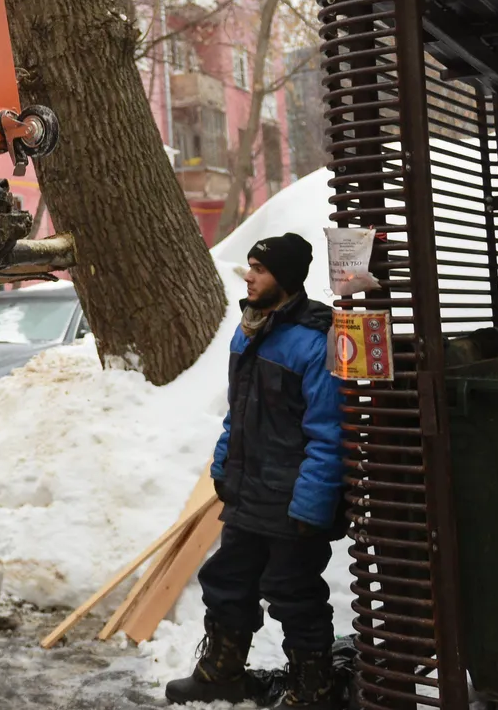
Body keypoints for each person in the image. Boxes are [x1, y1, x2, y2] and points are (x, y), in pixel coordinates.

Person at [167, 232, 344, 709]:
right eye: (249, 266)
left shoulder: (315, 340)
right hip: (250, 492)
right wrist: (224, 467)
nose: (249, 275)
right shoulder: (249, 329)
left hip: (291, 497)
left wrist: (312, 505)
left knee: (294, 593)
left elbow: (329, 433)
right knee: (227, 582)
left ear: (284, 278)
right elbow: (238, 413)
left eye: (260, 269)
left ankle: (314, 690)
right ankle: (221, 674)